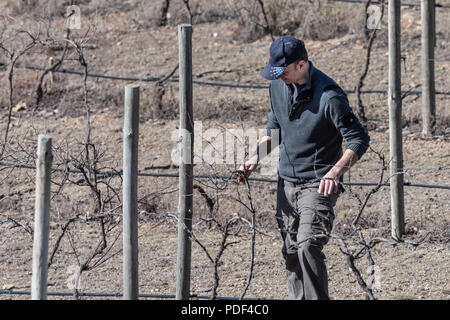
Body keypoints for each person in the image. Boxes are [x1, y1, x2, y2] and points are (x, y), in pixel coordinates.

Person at [239, 36, 370, 300]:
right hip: (286, 182)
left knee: (308, 246)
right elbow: (274, 128)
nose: (279, 77)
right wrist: (255, 157)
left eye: (284, 71)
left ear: (301, 64)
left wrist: (335, 172)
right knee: (290, 251)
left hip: (318, 183)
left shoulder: (330, 96)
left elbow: (359, 138)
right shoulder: (278, 86)